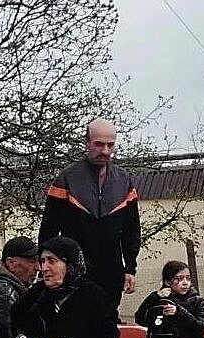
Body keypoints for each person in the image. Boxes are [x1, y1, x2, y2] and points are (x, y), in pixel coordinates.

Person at [39, 118, 140, 317]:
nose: (104, 150)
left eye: (110, 145)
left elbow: (131, 230)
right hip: (75, 269)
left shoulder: (124, 180)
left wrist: (130, 268)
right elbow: (49, 230)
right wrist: (46, 266)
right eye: (99, 144)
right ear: (87, 143)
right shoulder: (66, 178)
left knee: (107, 322)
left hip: (111, 272)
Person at [11, 236, 120, 338]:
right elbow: (10, 323)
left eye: (52, 261)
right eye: (42, 261)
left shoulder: (95, 296)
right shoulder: (36, 294)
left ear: (70, 265)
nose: (44, 268)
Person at [134, 260, 204, 338]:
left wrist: (179, 312)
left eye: (188, 279)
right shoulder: (157, 299)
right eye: (179, 279)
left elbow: (201, 327)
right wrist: (154, 298)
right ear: (168, 281)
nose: (185, 283)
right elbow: (139, 318)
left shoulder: (197, 301)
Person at [0, 235, 40, 303]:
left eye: (39, 261)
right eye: (31, 262)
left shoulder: (11, 289)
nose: (38, 268)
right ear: (11, 263)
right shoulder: (4, 294)